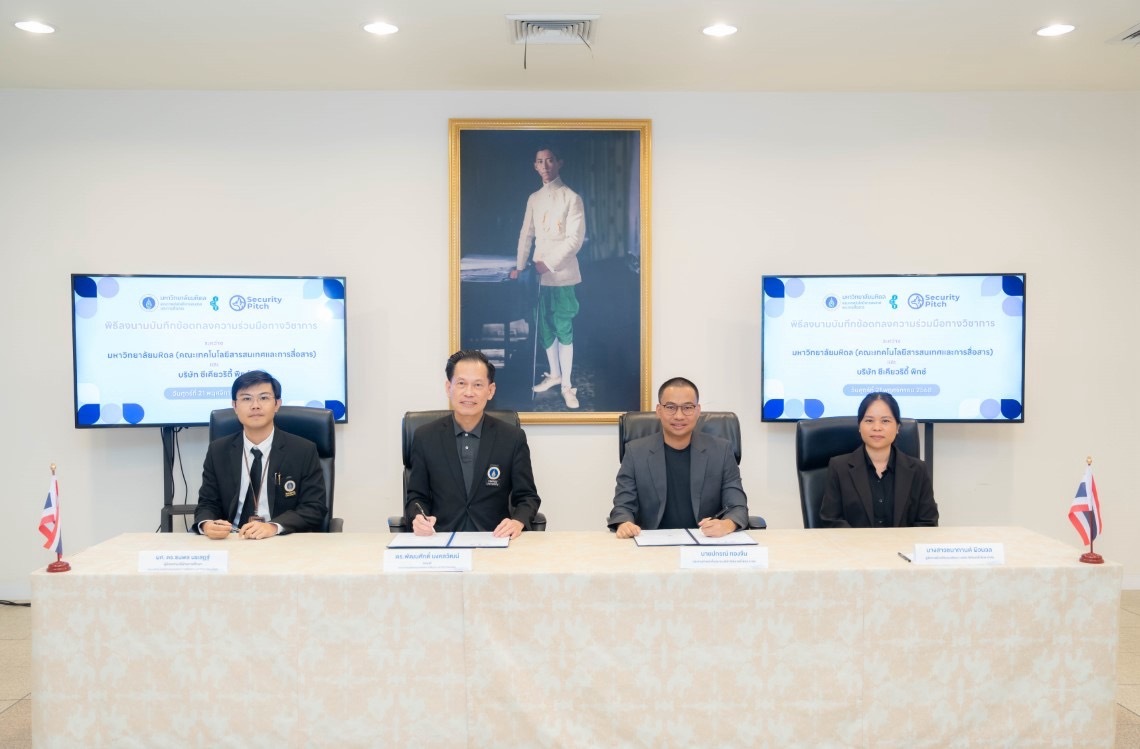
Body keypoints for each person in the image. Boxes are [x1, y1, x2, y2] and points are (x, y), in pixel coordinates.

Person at [405, 349, 541, 538]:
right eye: (461, 383)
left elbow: (527, 497)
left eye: (478, 385)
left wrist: (517, 522)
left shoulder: (512, 438)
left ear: (490, 391)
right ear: (448, 388)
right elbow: (416, 497)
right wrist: (419, 518)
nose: (469, 393)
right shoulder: (425, 437)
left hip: (494, 539)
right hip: (441, 539)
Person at [607, 377, 749, 538]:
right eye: (670, 407)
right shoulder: (635, 452)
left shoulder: (721, 451)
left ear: (698, 410)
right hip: (652, 544)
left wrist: (727, 524)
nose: (679, 416)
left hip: (705, 542)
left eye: (687, 407)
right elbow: (623, 507)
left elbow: (738, 507)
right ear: (659, 410)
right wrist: (624, 523)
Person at [195, 370, 328, 540]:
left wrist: (273, 527)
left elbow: (314, 507)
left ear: (277, 404)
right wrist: (207, 524)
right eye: (246, 399)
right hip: (233, 539)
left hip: (280, 539)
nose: (255, 405)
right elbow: (207, 503)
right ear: (235, 406)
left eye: (264, 398)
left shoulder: (303, 450)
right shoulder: (218, 450)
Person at [510, 146, 586, 409]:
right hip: (538, 276)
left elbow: (574, 240)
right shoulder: (534, 198)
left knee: (563, 325)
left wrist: (549, 264)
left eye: (550, 160)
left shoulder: (572, 198)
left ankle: (567, 385)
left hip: (562, 274)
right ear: (535, 166)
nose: (545, 166)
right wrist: (520, 266)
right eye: (540, 161)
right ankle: (554, 375)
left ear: (559, 163)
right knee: (543, 325)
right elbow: (526, 234)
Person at [819, 391, 939, 528]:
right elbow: (831, 521)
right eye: (869, 420)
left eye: (885, 421)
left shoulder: (918, 470)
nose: (877, 428)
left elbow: (927, 523)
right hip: (854, 542)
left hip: (904, 543)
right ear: (859, 426)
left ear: (898, 427)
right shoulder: (839, 468)